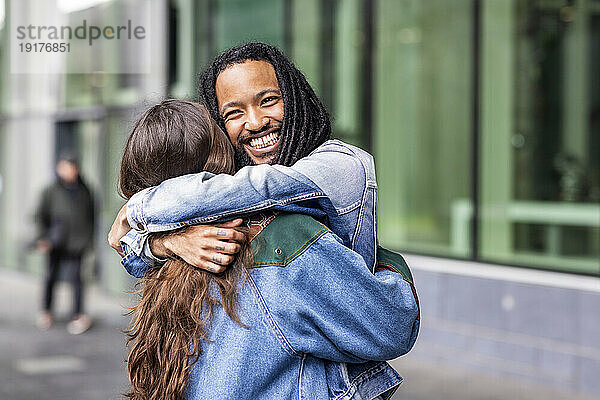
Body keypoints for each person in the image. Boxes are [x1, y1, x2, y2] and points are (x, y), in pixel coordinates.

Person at [109, 43, 420, 398]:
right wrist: (390, 265)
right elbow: (391, 327)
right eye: (233, 113)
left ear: (295, 96)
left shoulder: (337, 165)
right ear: (220, 136)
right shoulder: (282, 237)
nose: (255, 122)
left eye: (269, 100)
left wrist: (146, 220)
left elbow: (262, 187)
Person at [35, 152, 95, 334]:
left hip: (77, 243)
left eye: (70, 167)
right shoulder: (50, 190)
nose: (67, 171)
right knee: (50, 277)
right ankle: (46, 311)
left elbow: (91, 215)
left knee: (77, 280)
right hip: (56, 242)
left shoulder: (85, 190)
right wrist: (43, 238)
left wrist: (88, 238)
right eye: (64, 167)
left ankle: (77, 314)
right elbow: (40, 216)